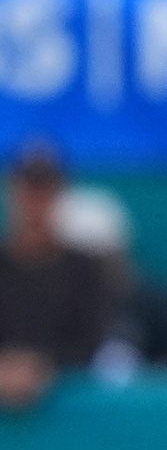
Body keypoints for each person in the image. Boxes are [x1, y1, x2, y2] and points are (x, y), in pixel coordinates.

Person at [0, 143, 112, 410]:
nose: (36, 201)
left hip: (68, 417)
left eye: (45, 189)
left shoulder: (84, 269)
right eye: (28, 188)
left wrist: (40, 367)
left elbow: (91, 342)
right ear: (13, 191)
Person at [53, 184, 167, 378]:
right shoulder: (47, 309)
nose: (94, 272)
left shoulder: (157, 304)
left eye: (104, 257)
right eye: (83, 262)